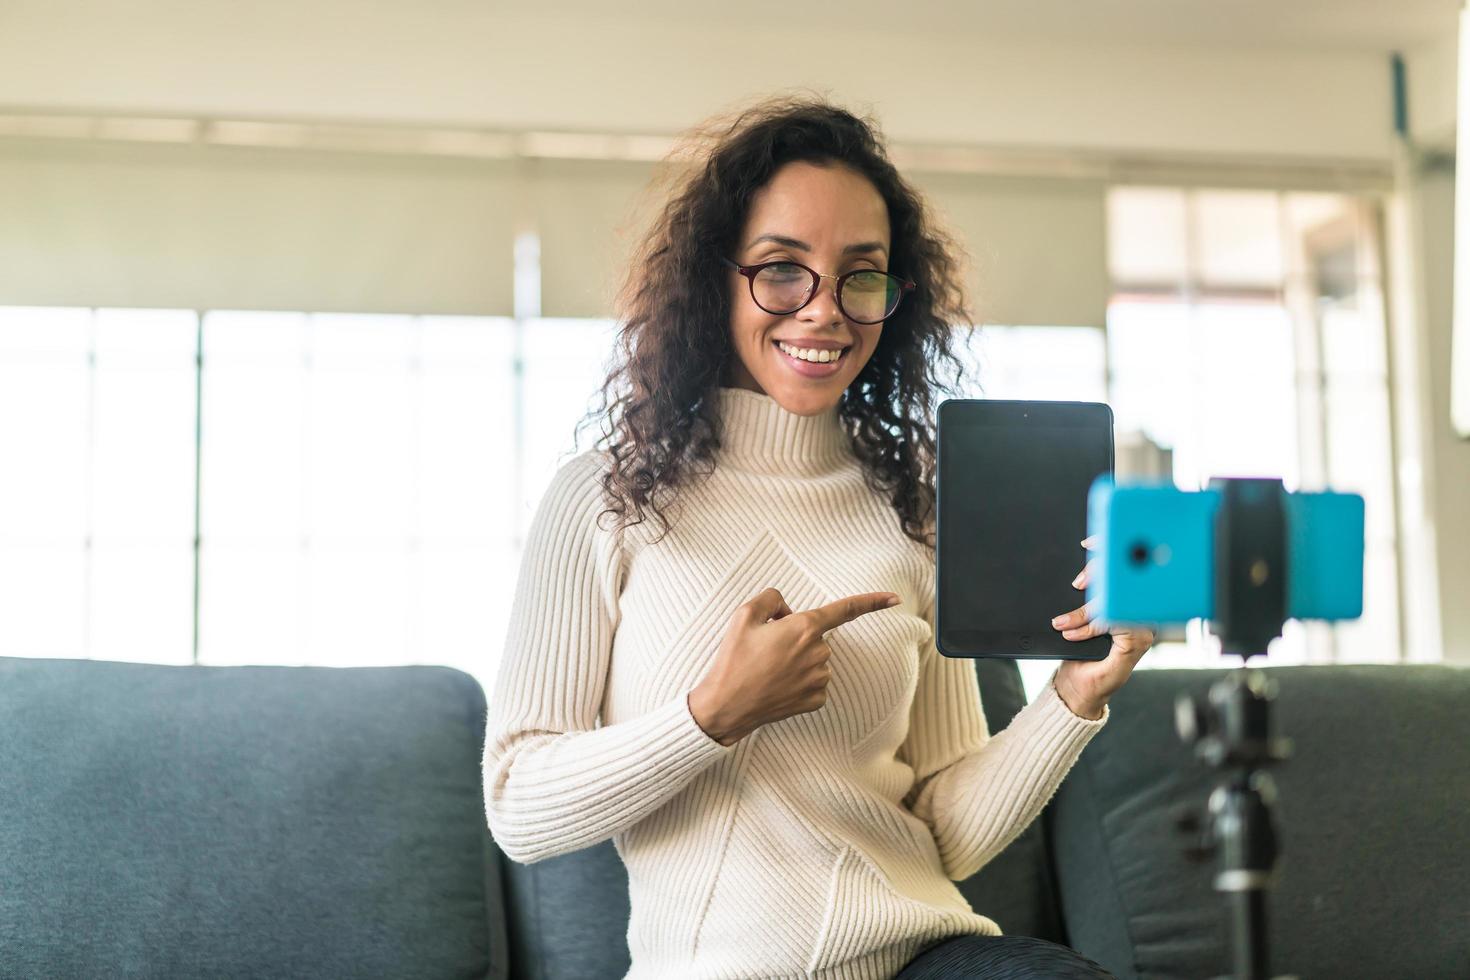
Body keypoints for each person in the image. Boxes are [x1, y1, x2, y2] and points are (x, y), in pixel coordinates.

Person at [482, 94, 1155, 979]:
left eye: (860, 274)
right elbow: (520, 807)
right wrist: (711, 717)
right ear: (715, 280)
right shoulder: (606, 500)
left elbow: (945, 835)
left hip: (927, 960)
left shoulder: (913, 510)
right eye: (782, 269)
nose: (824, 310)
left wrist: (1072, 698)